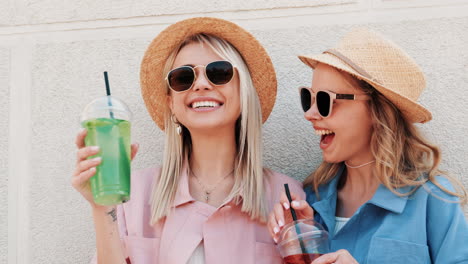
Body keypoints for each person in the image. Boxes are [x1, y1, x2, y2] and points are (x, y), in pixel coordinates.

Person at [72, 17, 304, 264]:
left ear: (244, 92)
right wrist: (102, 207)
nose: (201, 84)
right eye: (183, 77)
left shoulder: (285, 196)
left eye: (219, 73)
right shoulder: (134, 193)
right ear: (171, 102)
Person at [268, 28, 468, 264]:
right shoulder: (310, 200)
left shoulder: (432, 198)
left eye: (324, 100)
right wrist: (301, 237)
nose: (310, 114)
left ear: (376, 110)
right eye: (307, 98)